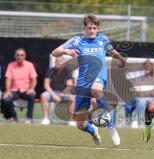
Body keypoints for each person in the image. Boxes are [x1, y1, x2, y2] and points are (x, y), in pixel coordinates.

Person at [51, 15, 126, 145]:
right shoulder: (77, 40)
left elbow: (112, 51)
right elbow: (54, 52)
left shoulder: (102, 39)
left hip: (98, 76)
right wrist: (66, 51)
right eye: (89, 28)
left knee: (96, 89)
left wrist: (121, 59)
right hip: (82, 82)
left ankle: (111, 127)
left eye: (94, 28)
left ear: (98, 29)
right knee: (80, 124)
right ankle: (93, 132)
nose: (92, 30)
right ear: (84, 28)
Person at [2, 48, 37, 123]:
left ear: (25, 56)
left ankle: (29, 118)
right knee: (5, 99)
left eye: (22, 55)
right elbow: (8, 79)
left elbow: (34, 79)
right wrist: (8, 91)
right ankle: (13, 116)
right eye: (18, 55)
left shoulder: (30, 65)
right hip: (14, 90)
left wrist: (31, 88)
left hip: (25, 90)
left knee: (32, 94)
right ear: (15, 56)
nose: (20, 56)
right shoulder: (11, 65)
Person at [41, 56, 75, 126]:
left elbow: (69, 85)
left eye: (60, 61)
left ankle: (71, 120)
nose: (58, 63)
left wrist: (62, 94)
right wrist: (54, 95)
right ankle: (46, 118)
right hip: (52, 92)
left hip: (64, 93)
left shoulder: (68, 71)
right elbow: (46, 85)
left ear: (64, 63)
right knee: (43, 96)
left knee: (72, 98)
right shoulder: (50, 71)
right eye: (57, 61)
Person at [130, 59, 154, 129]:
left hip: (151, 97)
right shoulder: (139, 76)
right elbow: (136, 88)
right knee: (141, 101)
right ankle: (136, 121)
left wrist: (148, 94)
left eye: (149, 66)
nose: (147, 68)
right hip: (139, 97)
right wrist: (143, 94)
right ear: (144, 67)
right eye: (146, 66)